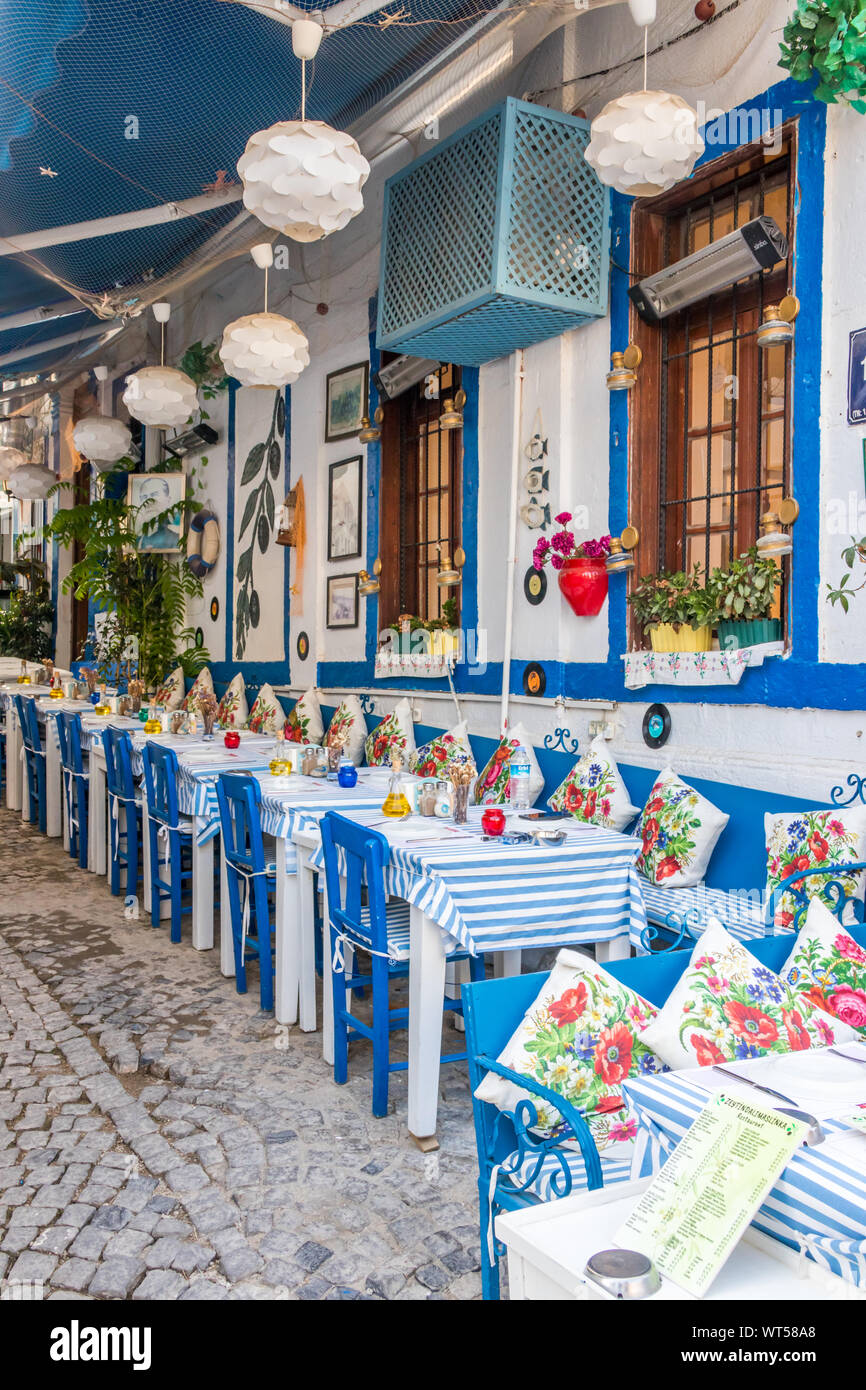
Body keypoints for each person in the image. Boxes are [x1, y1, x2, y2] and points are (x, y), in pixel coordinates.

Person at [136, 474, 182, 550]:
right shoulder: (136, 543)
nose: (148, 502)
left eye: (154, 495)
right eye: (144, 497)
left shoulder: (176, 541)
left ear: (168, 501)